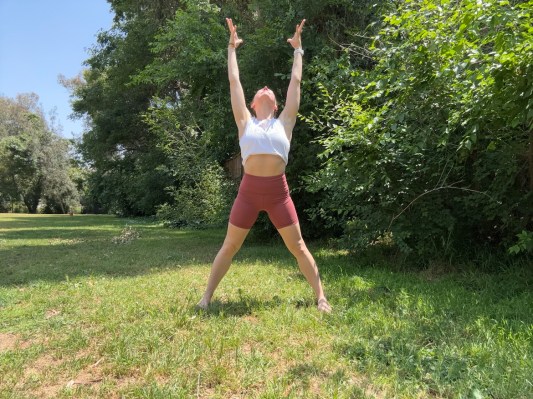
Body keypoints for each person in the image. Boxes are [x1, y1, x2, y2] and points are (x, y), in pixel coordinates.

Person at [197, 18, 331, 313]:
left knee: (298, 247)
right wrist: (231, 48)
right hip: (248, 192)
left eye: (270, 91)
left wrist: (298, 50)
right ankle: (206, 297)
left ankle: (321, 297)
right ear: (254, 103)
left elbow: (295, 82)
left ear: (276, 103)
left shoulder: (286, 122)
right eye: (260, 91)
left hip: (278, 194)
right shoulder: (245, 121)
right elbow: (234, 81)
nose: (267, 88)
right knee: (229, 246)